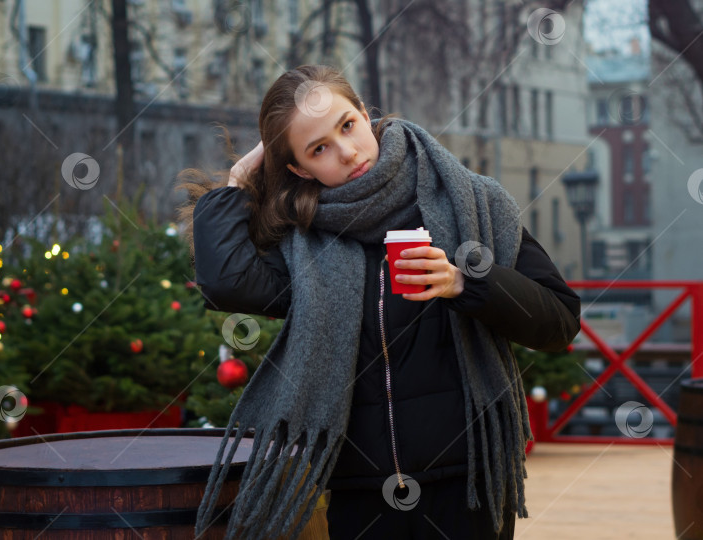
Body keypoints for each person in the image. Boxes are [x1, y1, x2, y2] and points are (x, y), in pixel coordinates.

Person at [178, 65, 580, 540]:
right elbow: (226, 281)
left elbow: (558, 321)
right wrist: (242, 177)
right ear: (298, 169)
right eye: (319, 149)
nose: (347, 153)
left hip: (465, 482)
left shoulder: (471, 201)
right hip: (360, 489)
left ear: (365, 114)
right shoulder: (306, 241)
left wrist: (465, 283)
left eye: (347, 126)